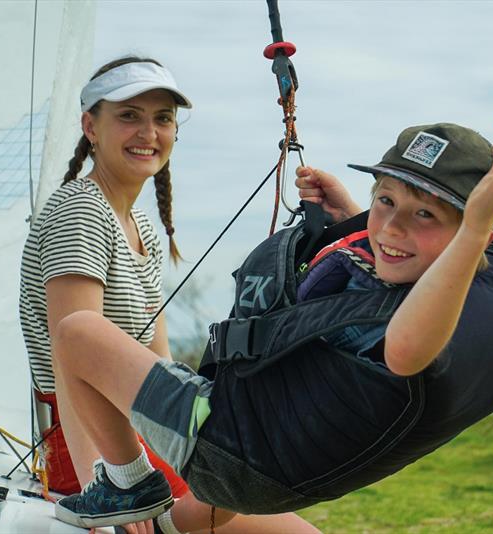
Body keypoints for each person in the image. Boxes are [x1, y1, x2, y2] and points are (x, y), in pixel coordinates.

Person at [49, 113, 493, 528]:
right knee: (194, 513)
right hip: (271, 462)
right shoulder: (414, 271)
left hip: (226, 443)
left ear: (472, 236)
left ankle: (126, 484)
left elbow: (406, 348)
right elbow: (375, 266)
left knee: (78, 333)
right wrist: (351, 217)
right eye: (385, 201)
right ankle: (165, 526)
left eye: (424, 215)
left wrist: (476, 227)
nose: (390, 228)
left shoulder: (428, 319)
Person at [19, 55, 319, 534]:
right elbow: (68, 357)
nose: (148, 133)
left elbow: (159, 363)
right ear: (90, 126)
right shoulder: (80, 211)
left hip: (147, 437)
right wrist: (109, 486)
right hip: (103, 457)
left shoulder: (142, 228)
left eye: (162, 118)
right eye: (129, 116)